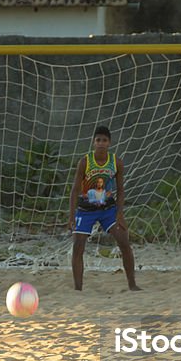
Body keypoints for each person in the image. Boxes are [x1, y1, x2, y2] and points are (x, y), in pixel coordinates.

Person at [68, 125, 140, 291]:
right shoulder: (85, 162)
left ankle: (133, 285)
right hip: (86, 210)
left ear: (109, 143)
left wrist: (120, 213)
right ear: (93, 142)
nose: (101, 143)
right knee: (78, 245)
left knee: (124, 241)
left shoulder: (116, 162)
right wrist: (71, 216)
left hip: (108, 210)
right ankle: (78, 289)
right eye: (98, 140)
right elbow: (74, 190)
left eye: (104, 140)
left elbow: (121, 190)